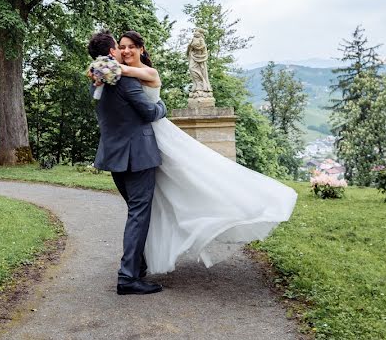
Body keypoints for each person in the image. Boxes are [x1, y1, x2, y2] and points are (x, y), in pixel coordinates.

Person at [116, 30, 298, 275]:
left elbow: (126, 73)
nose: (125, 51)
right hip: (142, 142)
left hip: (157, 136)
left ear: (141, 49)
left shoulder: (148, 72)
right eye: (122, 47)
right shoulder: (122, 74)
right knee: (162, 198)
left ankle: (231, 211)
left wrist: (104, 67)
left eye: (130, 47)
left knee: (195, 179)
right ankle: (144, 257)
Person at [87, 31, 167, 295]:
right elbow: (148, 113)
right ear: (112, 52)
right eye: (119, 48)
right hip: (138, 156)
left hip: (113, 156)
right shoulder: (124, 81)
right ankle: (128, 277)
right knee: (138, 214)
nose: (123, 51)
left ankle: (138, 266)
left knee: (135, 213)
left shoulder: (96, 80)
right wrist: (163, 107)